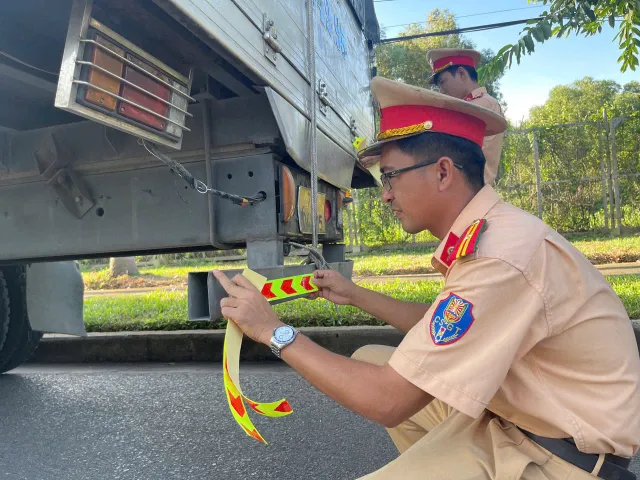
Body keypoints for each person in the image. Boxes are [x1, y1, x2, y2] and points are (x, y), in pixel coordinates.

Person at [212, 76, 640, 479]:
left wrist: (273, 331)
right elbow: (448, 324)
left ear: (442, 172)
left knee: (386, 380)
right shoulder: (493, 232)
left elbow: (388, 400)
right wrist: (355, 294)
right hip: (523, 420)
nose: (385, 193)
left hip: (562, 458)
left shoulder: (499, 256)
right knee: (370, 359)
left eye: (392, 176)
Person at [427, 48, 505, 186]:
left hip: (472, 192)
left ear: (462, 73)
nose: (441, 90)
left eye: (442, 82)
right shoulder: (470, 105)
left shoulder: (483, 104)